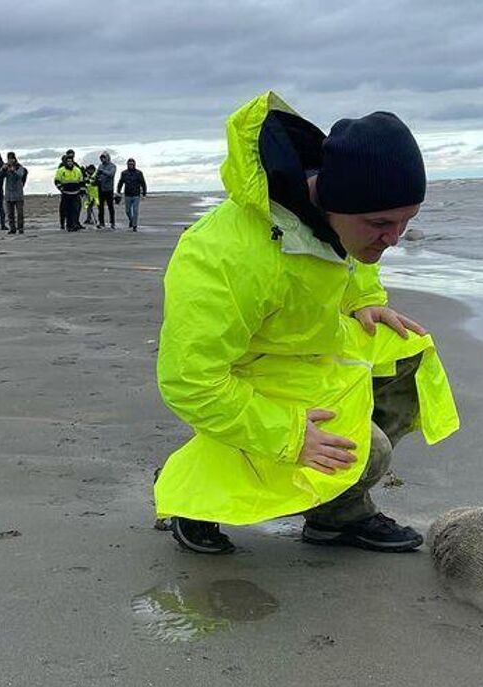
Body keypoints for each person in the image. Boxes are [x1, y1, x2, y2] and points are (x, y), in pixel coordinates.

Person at [154, 91, 459, 555]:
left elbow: (352, 259)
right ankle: (195, 498)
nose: (395, 240)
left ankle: (336, 515)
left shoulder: (338, 217)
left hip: (306, 347)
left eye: (406, 222)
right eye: (381, 223)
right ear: (333, 202)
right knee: (368, 451)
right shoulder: (223, 257)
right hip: (250, 372)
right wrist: (289, 435)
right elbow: (190, 381)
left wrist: (365, 299)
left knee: (407, 353)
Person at [54, 152, 85, 231]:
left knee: (75, 209)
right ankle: (69, 225)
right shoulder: (61, 170)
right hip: (66, 193)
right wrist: (61, 188)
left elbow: (81, 181)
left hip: (75, 192)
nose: (70, 163)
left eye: (71, 161)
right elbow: (57, 181)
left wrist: (82, 190)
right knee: (67, 210)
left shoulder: (77, 170)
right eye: (68, 161)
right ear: (65, 162)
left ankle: (74, 224)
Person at [116, 158, 146, 231]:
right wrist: (118, 192)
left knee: (135, 211)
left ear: (134, 164)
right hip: (127, 195)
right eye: (129, 164)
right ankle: (131, 220)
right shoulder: (124, 173)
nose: (131, 165)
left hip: (136, 195)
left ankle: (134, 225)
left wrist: (144, 193)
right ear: (127, 165)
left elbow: (143, 183)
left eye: (132, 164)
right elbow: (120, 183)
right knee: (128, 211)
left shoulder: (139, 173)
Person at [2, 152, 28, 233]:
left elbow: (20, 175)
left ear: (14, 159)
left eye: (12, 158)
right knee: (10, 213)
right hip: (9, 194)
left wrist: (14, 171)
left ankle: (20, 228)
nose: (10, 160)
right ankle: (12, 228)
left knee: (20, 213)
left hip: (18, 194)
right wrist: (3, 168)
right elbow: (0, 174)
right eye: (9, 159)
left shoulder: (19, 167)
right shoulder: (6, 167)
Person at [96, 152, 117, 228]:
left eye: (104, 157)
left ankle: (112, 222)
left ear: (108, 157)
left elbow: (111, 174)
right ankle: (101, 222)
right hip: (101, 189)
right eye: (101, 158)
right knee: (100, 207)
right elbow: (97, 175)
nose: (103, 159)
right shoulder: (100, 166)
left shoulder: (113, 166)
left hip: (109, 189)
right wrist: (97, 176)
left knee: (110, 206)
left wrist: (103, 172)